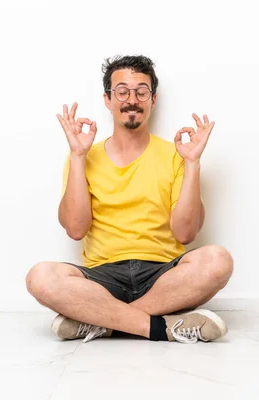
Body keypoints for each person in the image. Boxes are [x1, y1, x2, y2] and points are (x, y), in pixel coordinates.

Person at [25, 55, 233, 344]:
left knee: (217, 261)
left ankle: (100, 322)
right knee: (40, 277)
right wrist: (77, 156)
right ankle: (161, 327)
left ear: (153, 99)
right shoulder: (83, 156)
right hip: (102, 278)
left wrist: (193, 163)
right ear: (108, 100)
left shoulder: (176, 155)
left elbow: (185, 234)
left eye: (141, 91)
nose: (131, 99)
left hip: (161, 276)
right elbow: (75, 229)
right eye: (121, 91)